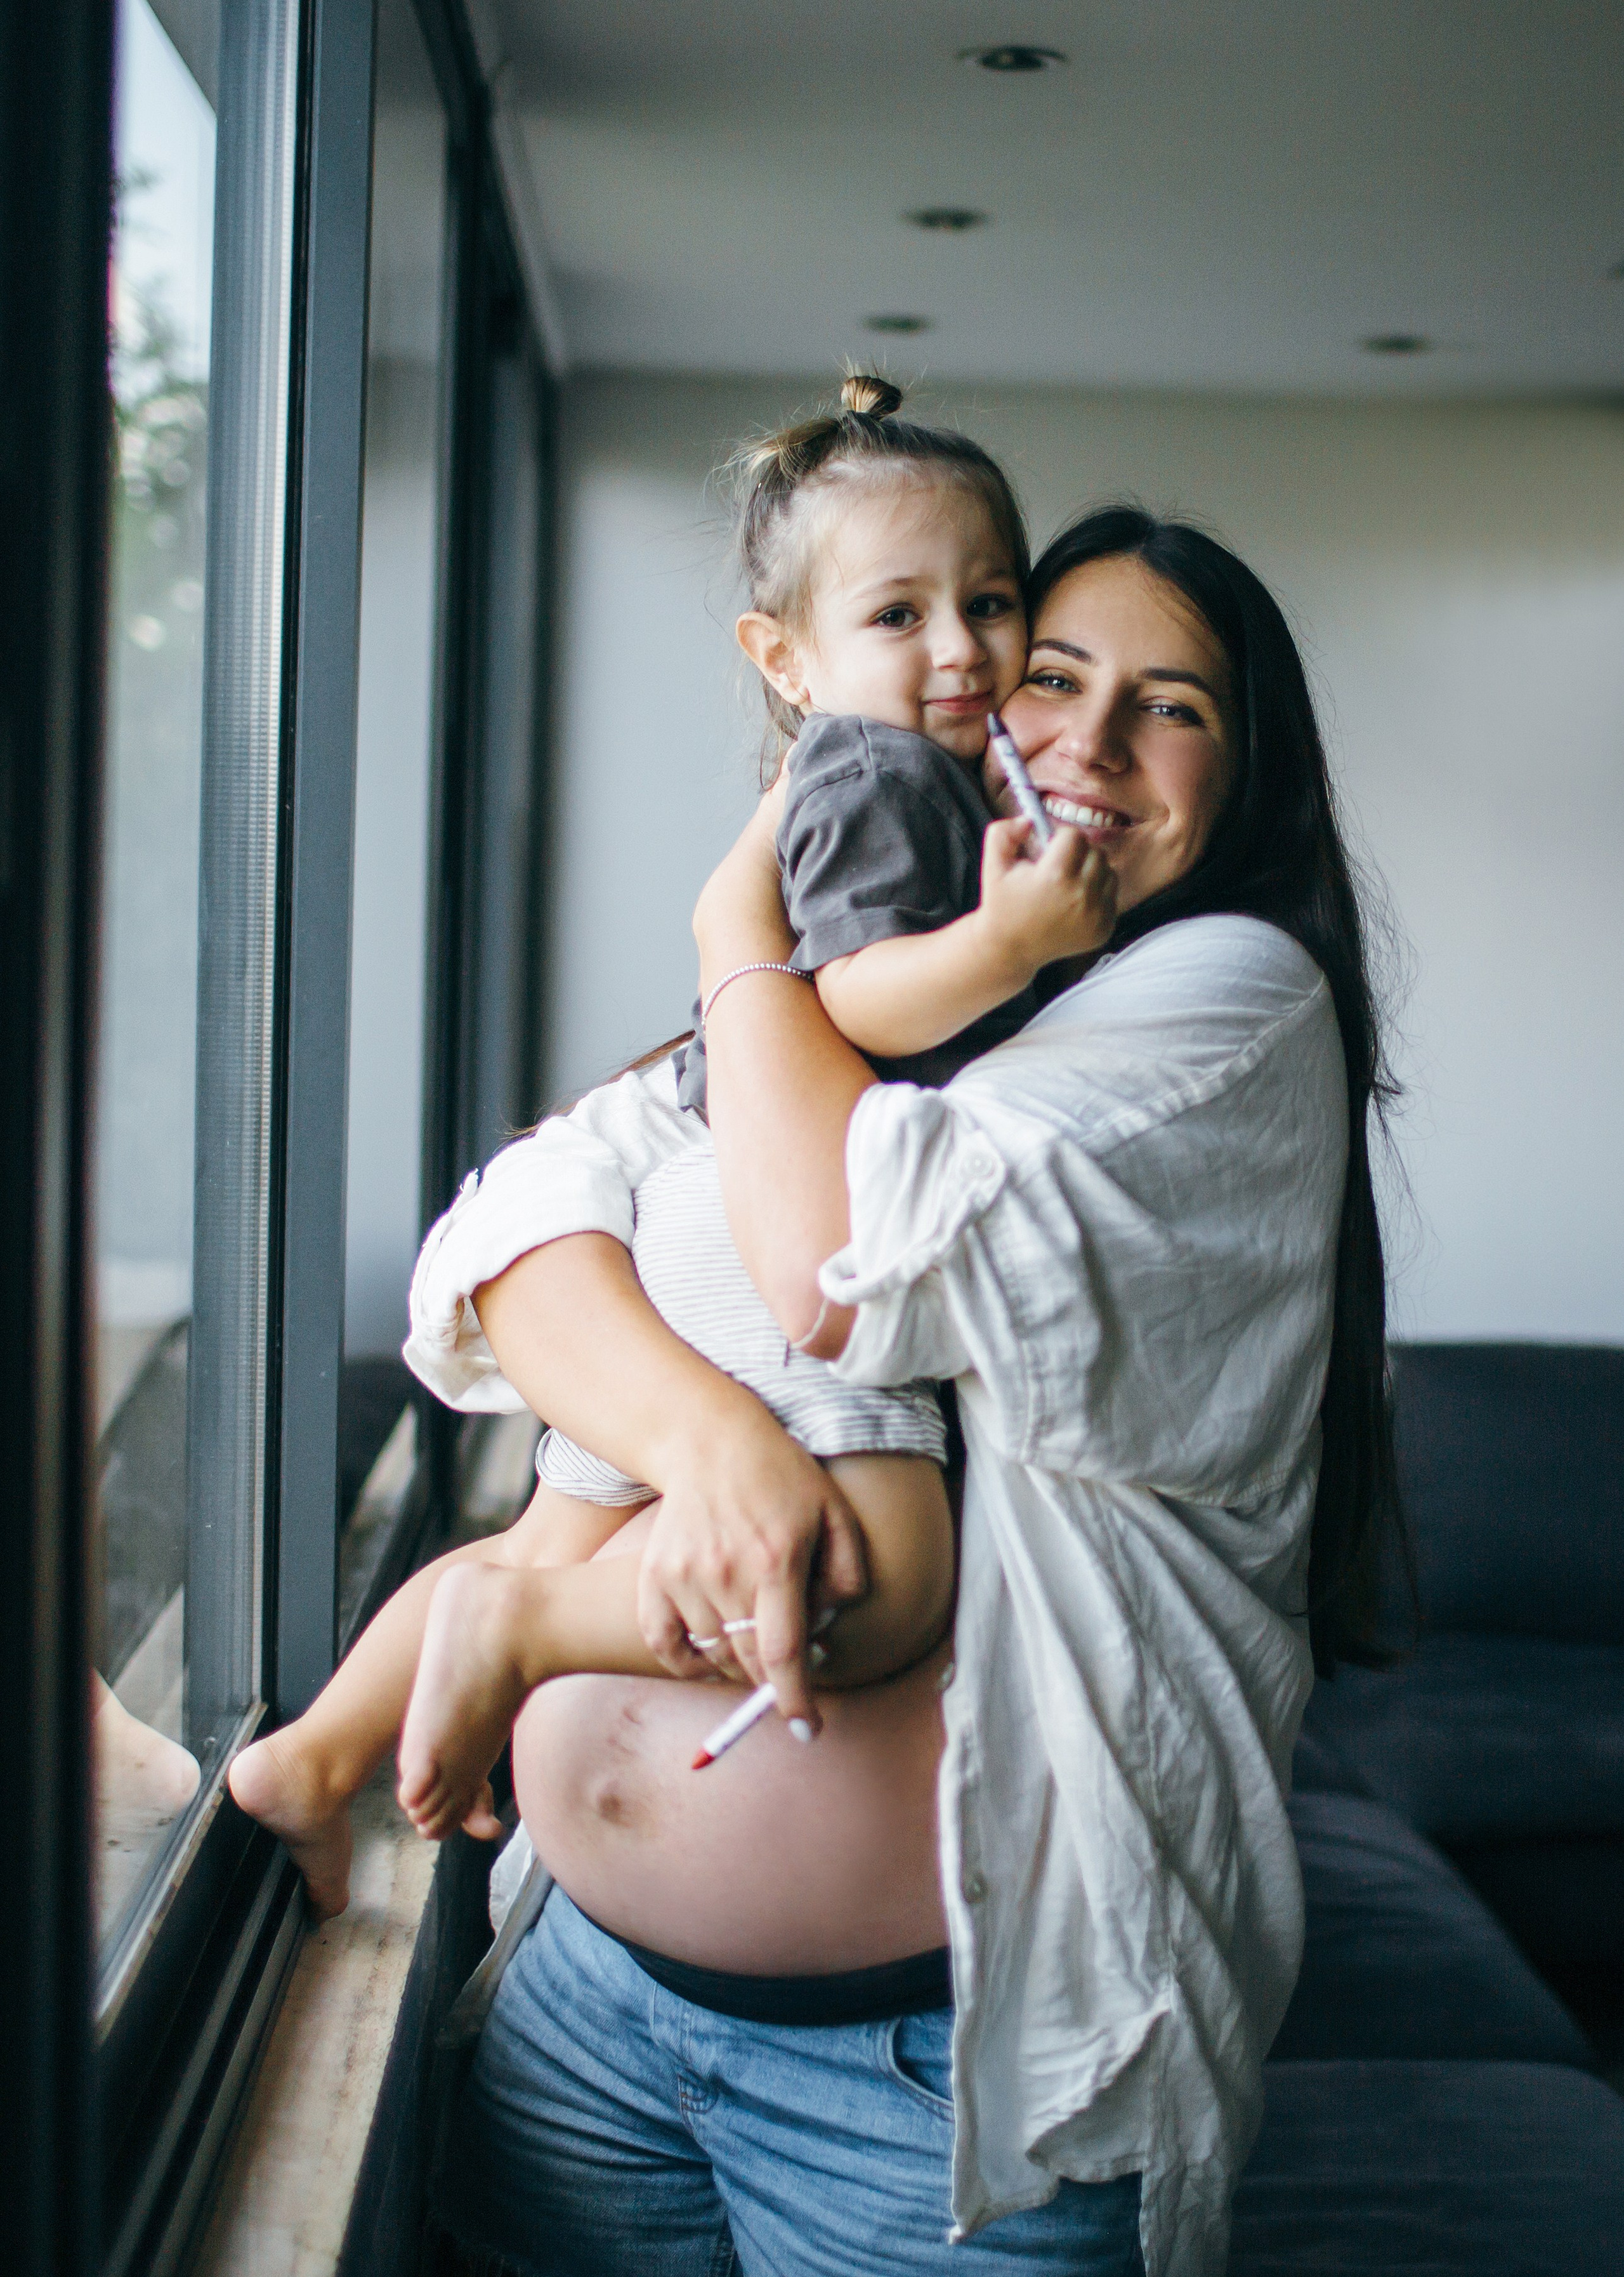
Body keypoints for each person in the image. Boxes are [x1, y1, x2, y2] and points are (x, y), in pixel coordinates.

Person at [405, 505, 1402, 2277]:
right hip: (586, 2005)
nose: (1089, 739)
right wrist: (705, 1440)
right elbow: (518, 1219)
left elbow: (827, 1259)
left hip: (931, 2099)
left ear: (1246, 779)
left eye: (1170, 706)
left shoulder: (1228, 997)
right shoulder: (896, 970)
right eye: (1056, 674)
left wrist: (737, 935)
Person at [227, 376, 1113, 1911]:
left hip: (693, 1171)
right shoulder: (878, 774)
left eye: (987, 599)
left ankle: (307, 1759)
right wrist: (1014, 944)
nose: (960, 647)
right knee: (878, 1569)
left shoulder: (916, 771)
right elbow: (844, 998)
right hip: (748, 1187)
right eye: (896, 615)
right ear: (783, 657)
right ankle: (505, 1647)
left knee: (554, 1534)